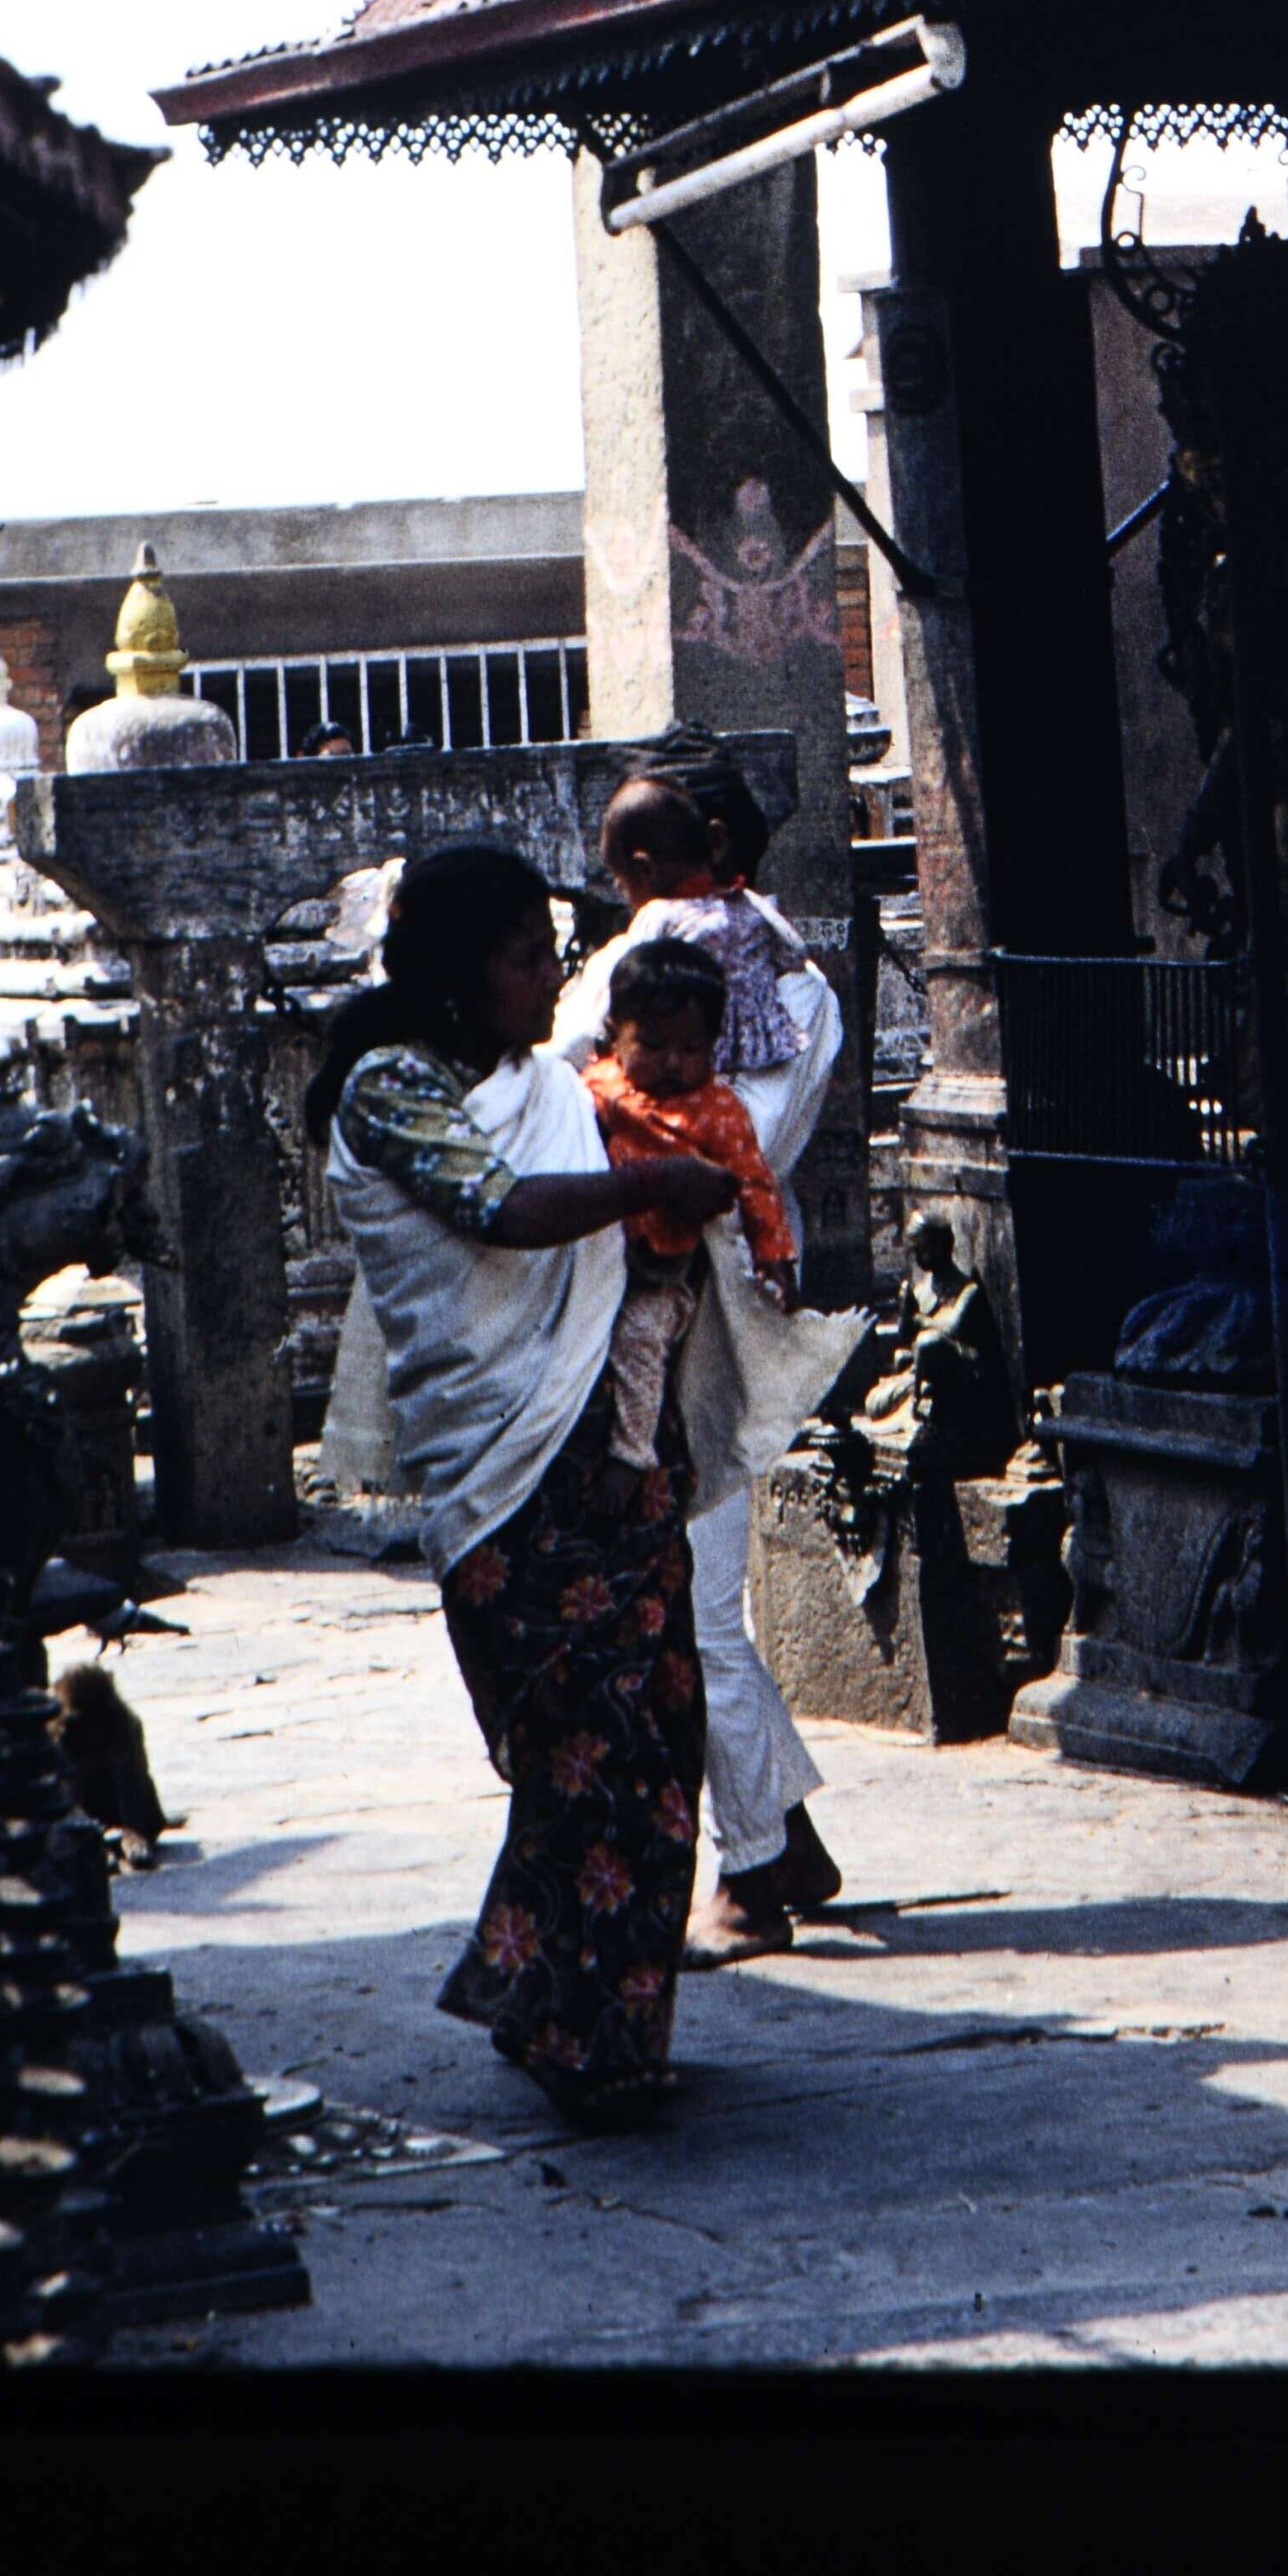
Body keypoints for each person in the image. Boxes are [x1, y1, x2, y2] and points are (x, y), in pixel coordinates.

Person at [311, 839, 735, 2126]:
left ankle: (577, 2009)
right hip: (505, 1463)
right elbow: (496, 1208)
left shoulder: (544, 1082)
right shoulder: (389, 1086)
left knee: (657, 1731)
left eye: (550, 951)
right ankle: (576, 2036)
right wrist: (651, 1180)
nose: (548, 977)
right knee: (584, 1748)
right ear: (454, 972)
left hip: (610, 1442)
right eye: (519, 957)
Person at [554, 763, 847, 1951]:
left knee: (701, 1609)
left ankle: (755, 1872)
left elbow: (705, 1158)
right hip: (658, 1302)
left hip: (698, 1314)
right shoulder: (781, 976)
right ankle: (784, 1835)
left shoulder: (699, 981)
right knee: (684, 1597)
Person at [580, 942, 803, 1493]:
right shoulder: (597, 1086)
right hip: (593, 1256)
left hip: (661, 1269)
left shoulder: (717, 1112)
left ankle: (631, 1454)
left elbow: (754, 1182)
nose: (673, 1064)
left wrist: (774, 1255)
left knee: (640, 1340)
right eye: (653, 1046)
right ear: (615, 1034)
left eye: (691, 1049)